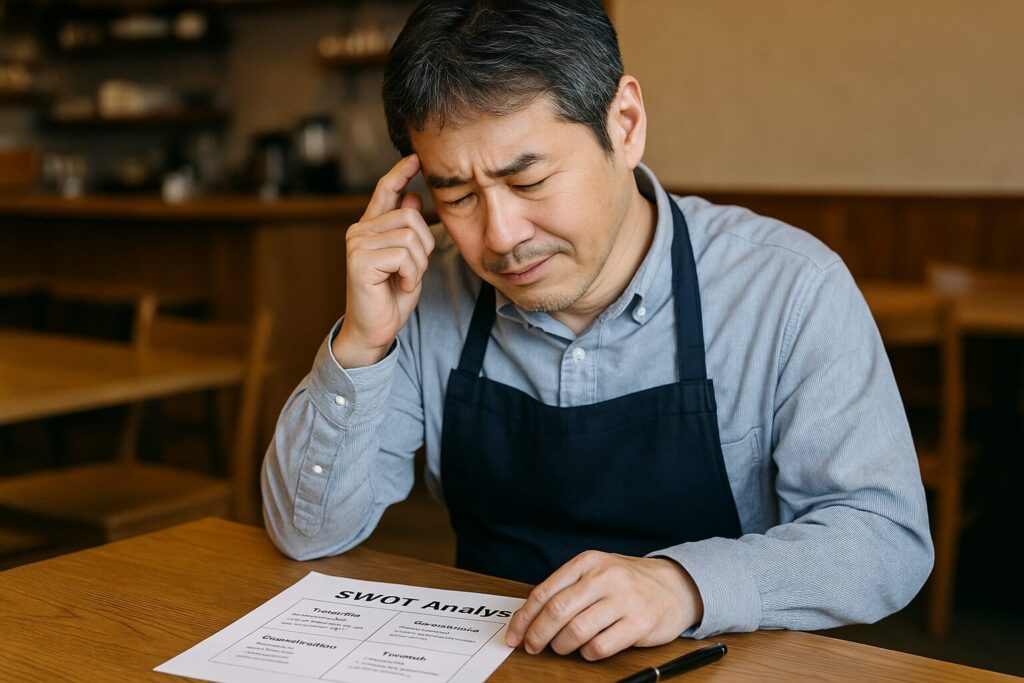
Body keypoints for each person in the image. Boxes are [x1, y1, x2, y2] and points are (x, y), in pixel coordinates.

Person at [262, 0, 933, 662]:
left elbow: (883, 538)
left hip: (717, 664)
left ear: (626, 123)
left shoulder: (788, 289)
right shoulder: (423, 290)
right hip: (495, 660)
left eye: (529, 179)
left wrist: (684, 585)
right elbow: (305, 533)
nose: (499, 238)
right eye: (457, 197)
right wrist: (362, 342)